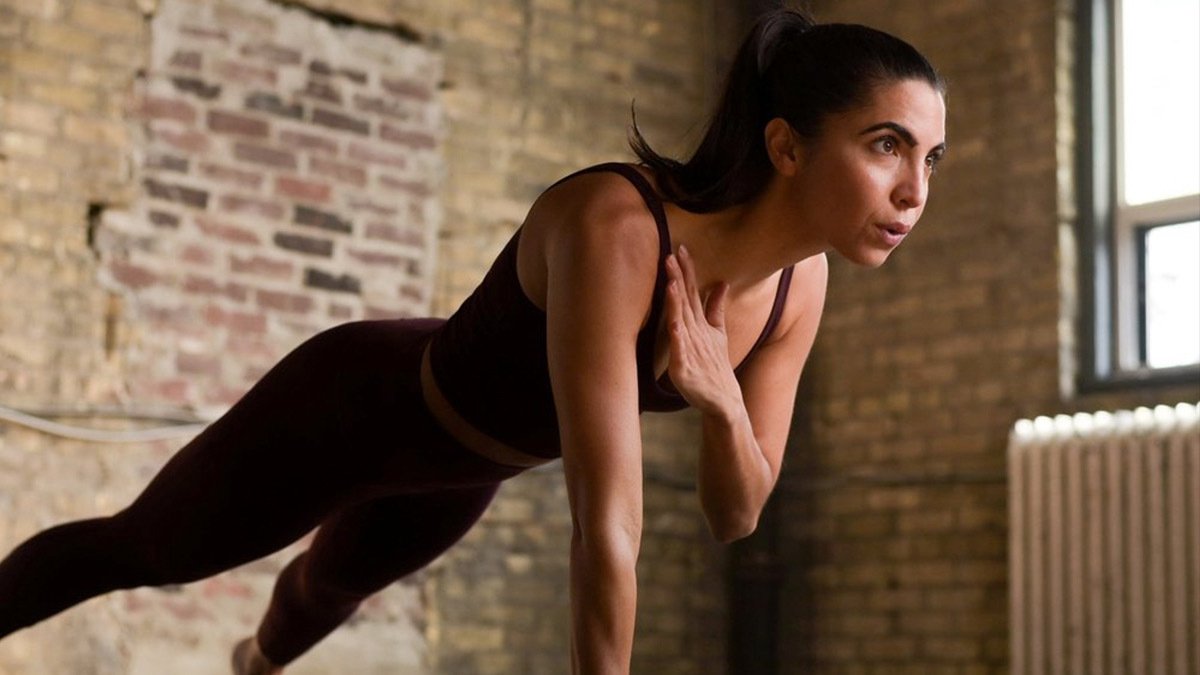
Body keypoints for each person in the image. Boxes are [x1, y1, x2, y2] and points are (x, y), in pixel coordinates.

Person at [0, 8, 946, 674]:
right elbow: (606, 524)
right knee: (145, 552)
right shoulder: (618, 227)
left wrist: (721, 397)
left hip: (463, 471)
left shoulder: (798, 287)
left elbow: (735, 513)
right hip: (355, 406)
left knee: (316, 605)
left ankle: (252, 664)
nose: (916, 193)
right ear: (787, 147)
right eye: (885, 146)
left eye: (929, 158)